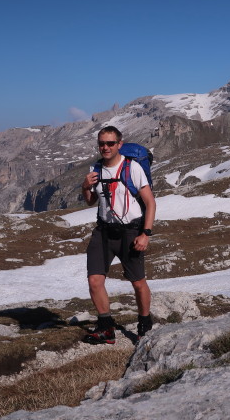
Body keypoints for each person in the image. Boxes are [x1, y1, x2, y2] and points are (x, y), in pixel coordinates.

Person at [81, 126, 156, 344]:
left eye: (110, 143)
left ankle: (144, 323)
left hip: (130, 232)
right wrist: (85, 186)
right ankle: (106, 328)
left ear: (119, 144)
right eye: (102, 143)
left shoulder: (132, 168)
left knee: (138, 282)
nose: (105, 147)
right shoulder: (95, 169)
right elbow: (90, 201)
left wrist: (146, 234)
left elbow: (150, 203)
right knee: (95, 280)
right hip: (104, 231)